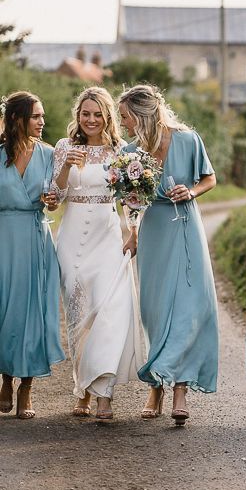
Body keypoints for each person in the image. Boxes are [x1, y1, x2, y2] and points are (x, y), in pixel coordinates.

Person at [118, 84, 218, 425]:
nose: (123, 124)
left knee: (188, 307)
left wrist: (191, 191)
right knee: (155, 310)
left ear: (143, 114)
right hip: (154, 229)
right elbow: (130, 202)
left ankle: (179, 390)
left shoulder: (188, 139)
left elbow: (210, 178)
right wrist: (132, 234)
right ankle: (157, 386)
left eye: (126, 117)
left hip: (185, 227)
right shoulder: (130, 151)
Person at [52, 87, 143, 420]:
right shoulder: (65, 147)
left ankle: (104, 392)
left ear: (107, 116)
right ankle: (82, 390)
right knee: (79, 317)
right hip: (72, 240)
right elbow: (53, 197)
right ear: (78, 115)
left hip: (107, 239)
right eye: (84, 114)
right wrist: (65, 168)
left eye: (97, 114)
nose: (90, 120)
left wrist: (132, 231)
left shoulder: (121, 151)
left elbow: (133, 199)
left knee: (107, 311)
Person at [0, 91, 65, 419]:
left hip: (36, 238)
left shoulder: (51, 155)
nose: (42, 122)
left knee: (31, 313)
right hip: (3, 239)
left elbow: (56, 199)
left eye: (42, 116)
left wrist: (53, 200)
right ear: (17, 120)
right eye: (36, 116)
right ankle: (5, 378)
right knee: (4, 310)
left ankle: (26, 385)